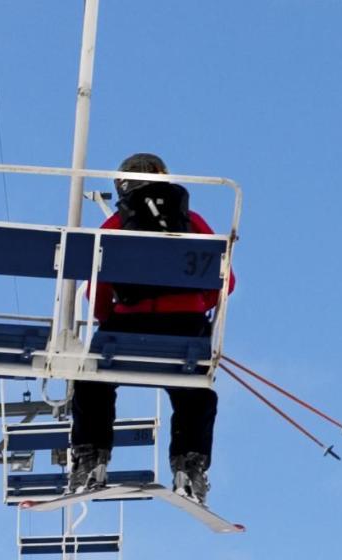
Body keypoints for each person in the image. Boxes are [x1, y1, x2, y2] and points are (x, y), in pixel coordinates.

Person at [67, 153, 235, 505]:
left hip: (128, 325)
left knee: (91, 382)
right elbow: (225, 281)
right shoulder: (191, 221)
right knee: (195, 393)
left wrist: (105, 319)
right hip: (186, 330)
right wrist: (194, 304)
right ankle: (189, 466)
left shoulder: (116, 223)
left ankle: (90, 459)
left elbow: (98, 286)